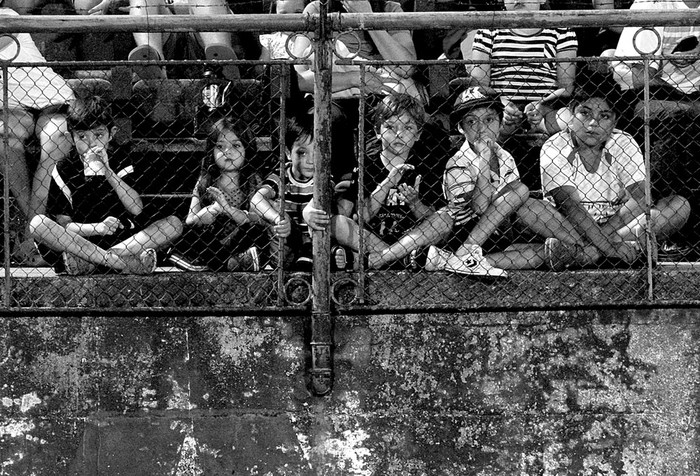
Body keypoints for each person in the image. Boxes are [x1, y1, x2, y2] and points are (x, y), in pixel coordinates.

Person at [424, 86, 585, 277]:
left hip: (499, 234)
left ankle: (460, 262)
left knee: (547, 250)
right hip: (467, 231)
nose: (481, 128)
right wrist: (484, 160)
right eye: (471, 121)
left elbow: (510, 208)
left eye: (489, 120)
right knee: (520, 190)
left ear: (501, 123)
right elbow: (479, 207)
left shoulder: (505, 156)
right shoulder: (458, 162)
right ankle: (466, 251)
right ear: (460, 128)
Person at [540, 76, 691, 270]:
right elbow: (570, 206)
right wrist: (609, 247)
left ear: (614, 122)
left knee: (678, 206)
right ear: (571, 113)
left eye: (604, 116)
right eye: (584, 113)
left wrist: (604, 240)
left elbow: (641, 198)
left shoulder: (623, 142)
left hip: (616, 226)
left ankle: (586, 254)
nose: (593, 123)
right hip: (570, 227)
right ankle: (624, 251)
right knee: (530, 208)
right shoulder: (554, 146)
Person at [28, 95, 183, 275]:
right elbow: (64, 225)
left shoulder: (123, 161)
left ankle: (96, 262)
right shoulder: (63, 169)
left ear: (112, 134)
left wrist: (108, 172)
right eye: (82, 136)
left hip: (123, 241)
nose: (91, 143)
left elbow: (136, 209)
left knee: (173, 224)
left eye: (99, 135)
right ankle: (120, 264)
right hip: (81, 241)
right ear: (71, 137)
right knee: (38, 224)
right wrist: (97, 228)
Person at [312, 93, 450, 270]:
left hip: (411, 239)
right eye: (391, 127)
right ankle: (398, 260)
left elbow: (430, 216)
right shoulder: (366, 166)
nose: (399, 134)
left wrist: (415, 203)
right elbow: (362, 217)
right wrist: (386, 184)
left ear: (418, 134)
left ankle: (376, 260)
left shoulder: (425, 166)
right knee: (336, 222)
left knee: (445, 218)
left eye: (408, 128)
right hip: (374, 239)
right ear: (378, 131)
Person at [291, 0, 421, 181]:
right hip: (335, 93)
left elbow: (406, 68)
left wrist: (366, 18)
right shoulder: (317, 9)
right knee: (327, 118)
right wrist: (354, 78)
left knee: (393, 122)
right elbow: (300, 79)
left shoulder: (390, 9)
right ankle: (339, 194)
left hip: (380, 95)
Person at [469, 0, 578, 189]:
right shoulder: (489, 30)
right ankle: (494, 183)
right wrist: (502, 104)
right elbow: (479, 84)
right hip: (501, 109)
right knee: (486, 124)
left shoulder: (561, 29)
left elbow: (566, 85)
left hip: (546, 109)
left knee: (571, 119)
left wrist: (542, 105)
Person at [0, 0, 75, 265]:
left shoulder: (7, 16)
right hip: (10, 105)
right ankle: (34, 234)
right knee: (6, 143)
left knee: (53, 143)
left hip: (50, 100)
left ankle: (31, 238)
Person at [167, 116, 265, 272]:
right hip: (212, 243)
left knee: (258, 232)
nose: (228, 152)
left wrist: (230, 211)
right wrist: (206, 213)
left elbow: (257, 218)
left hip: (238, 241)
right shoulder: (205, 181)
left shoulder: (253, 181)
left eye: (236, 146)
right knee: (189, 234)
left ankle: (218, 263)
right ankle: (231, 263)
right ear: (211, 151)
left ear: (247, 149)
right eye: (220, 146)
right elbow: (190, 220)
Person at [250, 112, 327, 271]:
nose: (311, 160)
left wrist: (309, 210)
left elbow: (327, 195)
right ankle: (272, 263)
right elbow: (257, 199)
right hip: (289, 239)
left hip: (315, 243)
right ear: (287, 153)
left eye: (316, 152)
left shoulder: (323, 177)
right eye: (302, 152)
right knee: (271, 207)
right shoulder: (281, 175)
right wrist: (278, 219)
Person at [613, 0, 700, 120]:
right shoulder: (651, 4)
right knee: (680, 110)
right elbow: (641, 77)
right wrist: (691, 102)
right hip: (640, 93)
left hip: (690, 93)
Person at [127, 0, 241, 80]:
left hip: (204, 35)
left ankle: (220, 66)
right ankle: (154, 66)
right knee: (143, 1)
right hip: (165, 36)